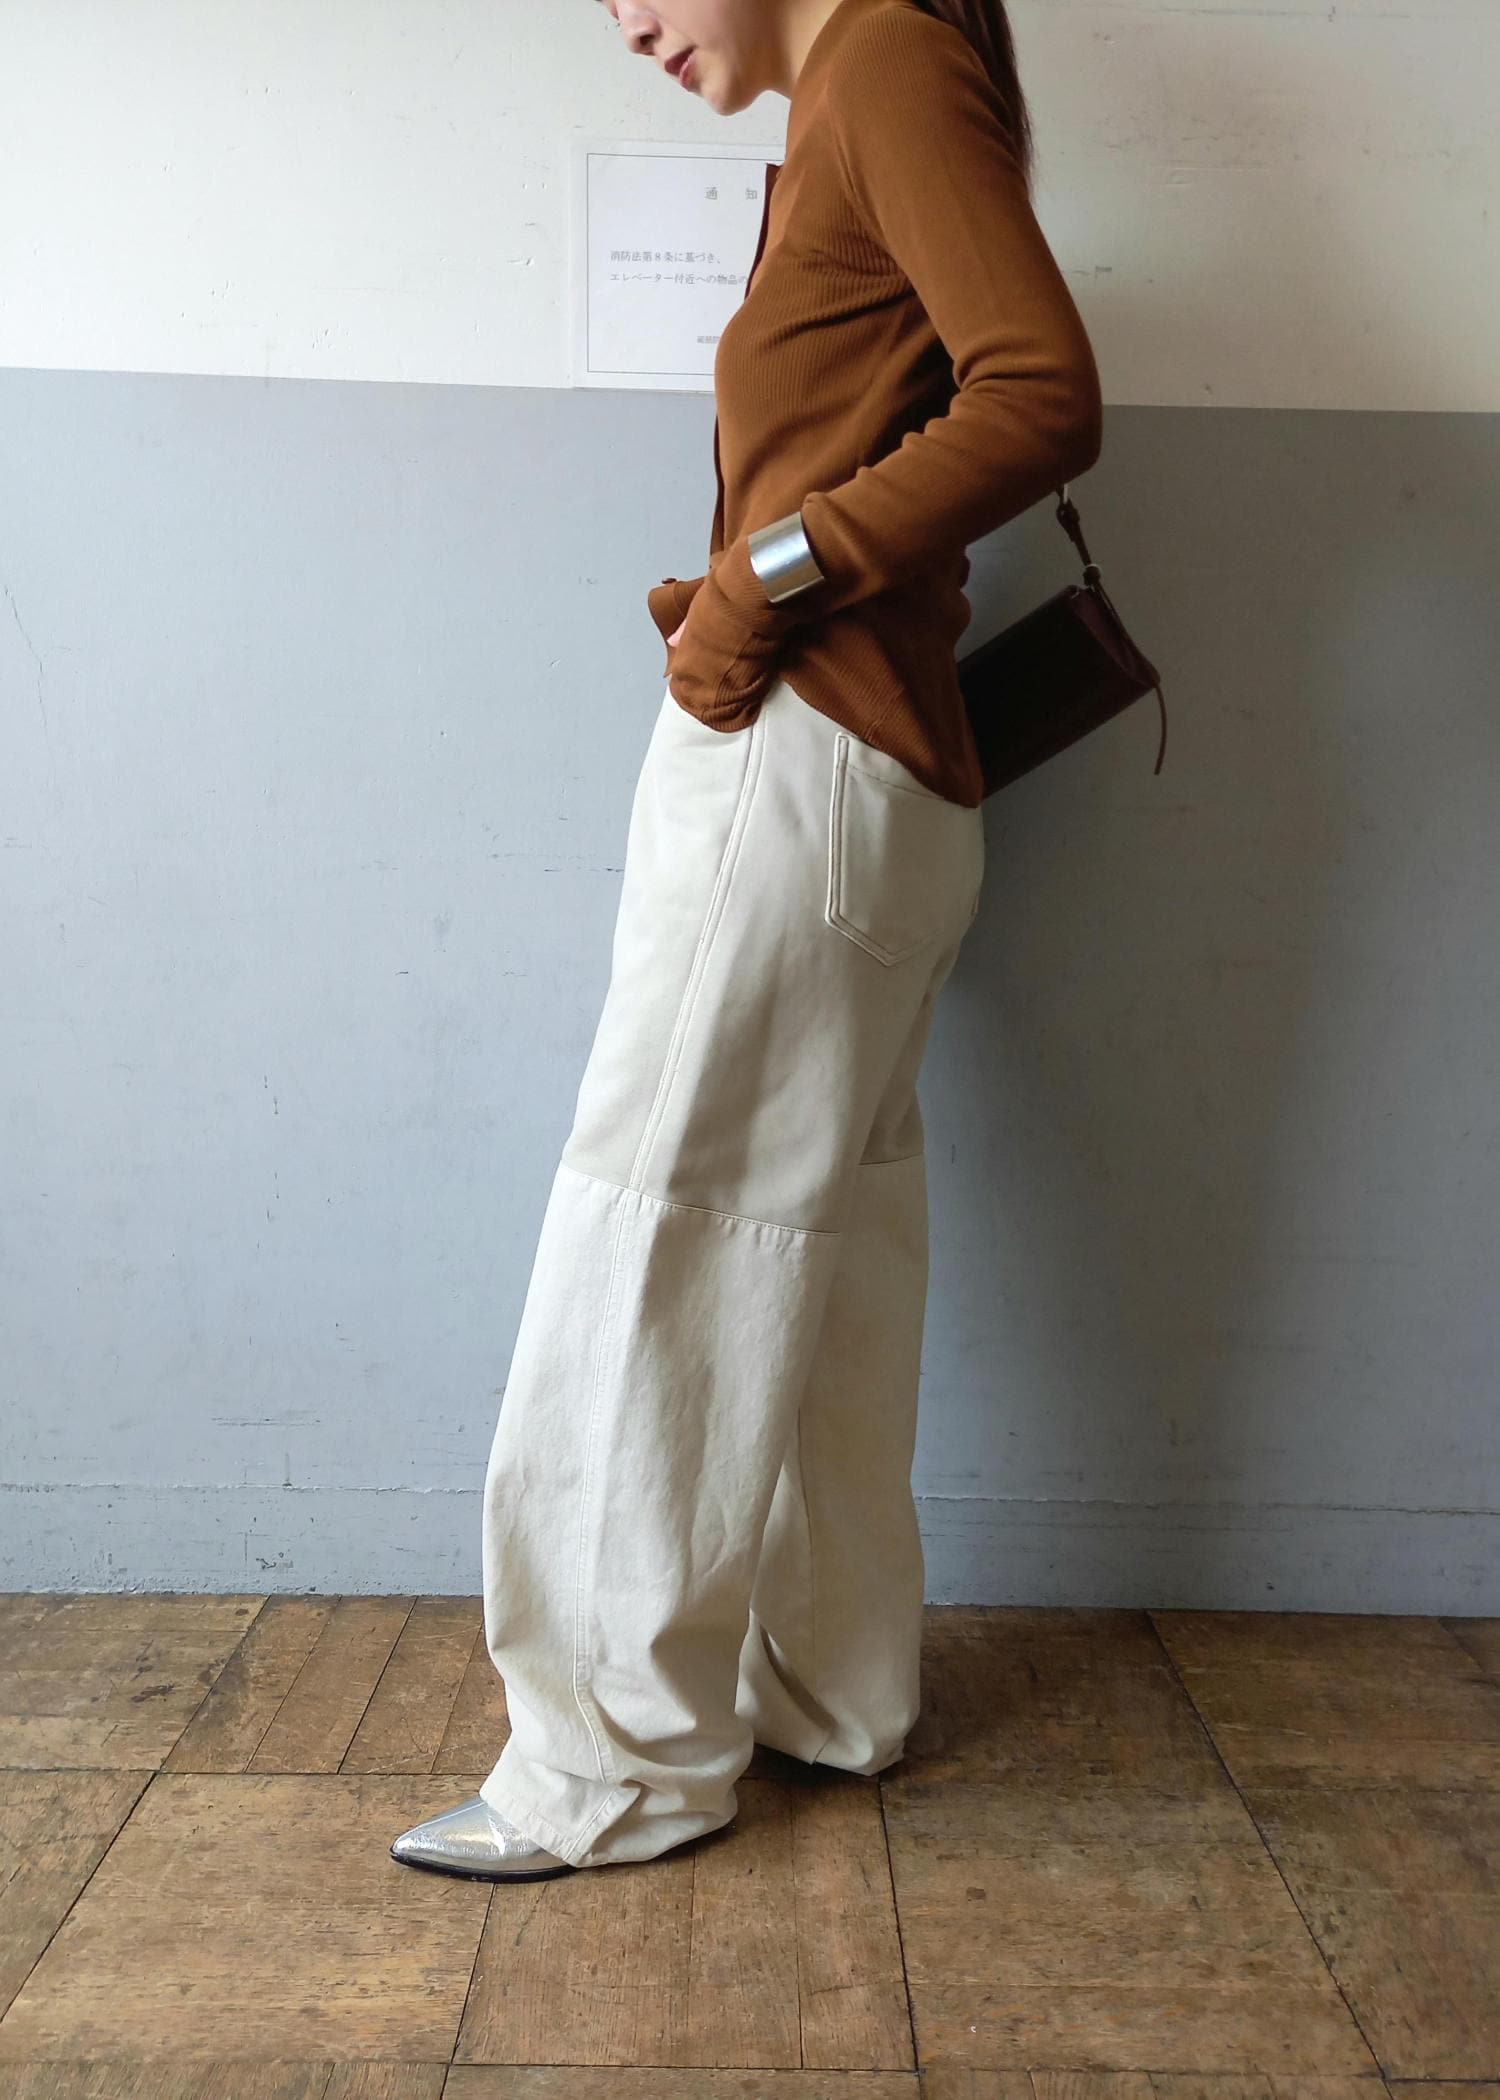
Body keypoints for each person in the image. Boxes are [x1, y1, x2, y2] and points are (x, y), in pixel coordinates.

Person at [392, 0, 1101, 1881]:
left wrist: (756, 583)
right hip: (876, 785)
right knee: (824, 1252)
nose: (624, 22)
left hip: (810, 773)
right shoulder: (882, 74)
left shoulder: (888, 62)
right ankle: (823, 1689)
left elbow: (1040, 390)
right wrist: (750, 589)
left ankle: (612, 1765)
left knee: (661, 1234)